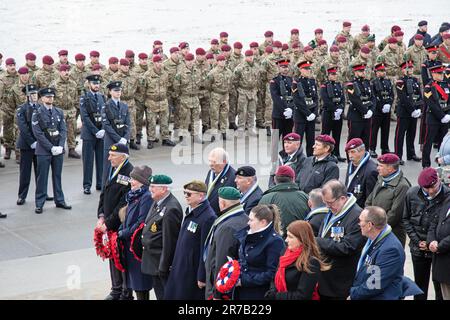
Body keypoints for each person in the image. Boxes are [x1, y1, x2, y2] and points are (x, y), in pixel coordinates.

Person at [350, 206, 422, 300]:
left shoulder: (390, 249)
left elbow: (375, 285)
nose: (359, 224)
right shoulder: (373, 240)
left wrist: (353, 294)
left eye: (360, 221)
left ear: (369, 225)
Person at [165, 181, 216, 300]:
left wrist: (202, 276)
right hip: (181, 267)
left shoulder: (208, 217)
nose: (186, 196)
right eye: (184, 193)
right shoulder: (192, 210)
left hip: (191, 272)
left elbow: (206, 250)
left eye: (189, 194)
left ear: (201, 196)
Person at [316, 180, 365, 300]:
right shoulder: (334, 210)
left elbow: (347, 247)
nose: (327, 206)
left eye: (329, 202)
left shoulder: (357, 216)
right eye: (325, 202)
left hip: (340, 282)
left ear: (342, 198)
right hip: (325, 278)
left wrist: (318, 241)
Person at [97, 143, 133, 300]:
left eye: (113, 155)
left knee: (121, 258)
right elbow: (104, 193)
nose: (109, 158)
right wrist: (101, 215)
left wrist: (109, 223)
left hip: (119, 223)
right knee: (112, 256)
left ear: (123, 156)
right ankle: (116, 289)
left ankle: (125, 291)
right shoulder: (113, 168)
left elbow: (123, 203)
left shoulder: (128, 173)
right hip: (109, 221)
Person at [403, 167, 446, 300]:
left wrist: (432, 243)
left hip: (439, 250)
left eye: (433, 186)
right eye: (426, 188)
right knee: (419, 288)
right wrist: (417, 241)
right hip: (418, 249)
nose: (431, 191)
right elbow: (406, 219)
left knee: (440, 288)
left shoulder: (447, 196)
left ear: (438, 180)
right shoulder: (412, 194)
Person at [141, 174, 183, 300]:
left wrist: (164, 267)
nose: (150, 189)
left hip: (161, 264)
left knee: (165, 295)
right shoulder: (158, 202)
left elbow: (169, 242)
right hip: (154, 261)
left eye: (153, 186)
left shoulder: (171, 209)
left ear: (164, 189)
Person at [265, 220, 330, 300]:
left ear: (302, 239)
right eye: (287, 236)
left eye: (290, 237)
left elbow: (303, 296)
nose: (286, 240)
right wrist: (272, 291)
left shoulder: (311, 262)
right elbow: (275, 276)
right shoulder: (285, 252)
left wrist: (277, 296)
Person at [204, 187, 249, 299]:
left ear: (222, 203)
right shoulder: (245, 219)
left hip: (222, 289)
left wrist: (217, 294)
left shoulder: (227, 227)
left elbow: (221, 262)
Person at [231, 205, 284, 300]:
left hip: (258, 293)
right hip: (241, 290)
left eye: (251, 220)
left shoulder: (275, 241)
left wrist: (244, 281)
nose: (248, 222)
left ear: (263, 222)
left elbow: (272, 273)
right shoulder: (248, 234)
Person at [31, 88, 71, 214]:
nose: (50, 99)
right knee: (42, 178)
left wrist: (59, 146)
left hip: (57, 150)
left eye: (52, 96)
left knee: (57, 176)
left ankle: (59, 200)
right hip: (44, 151)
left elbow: (63, 130)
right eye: (47, 97)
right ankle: (39, 203)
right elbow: (38, 134)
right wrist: (51, 147)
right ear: (42, 98)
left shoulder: (58, 112)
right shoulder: (37, 113)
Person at [118, 165, 153, 300]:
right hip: (129, 245)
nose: (131, 182)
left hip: (136, 246)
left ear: (143, 182)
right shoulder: (134, 194)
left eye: (134, 179)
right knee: (135, 282)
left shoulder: (145, 196)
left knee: (141, 284)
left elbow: (141, 222)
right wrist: (121, 229)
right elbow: (127, 217)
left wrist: (123, 233)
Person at [365, 153, 411, 247]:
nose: (377, 168)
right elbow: (369, 201)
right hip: (375, 229)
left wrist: (375, 226)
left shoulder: (402, 186)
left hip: (391, 233)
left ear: (390, 168)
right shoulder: (381, 179)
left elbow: (394, 215)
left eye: (381, 166)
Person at [260, 165, 309, 237]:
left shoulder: (266, 198)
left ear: (274, 179)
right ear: (293, 179)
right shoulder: (305, 197)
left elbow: (259, 223)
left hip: (273, 244)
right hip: (299, 242)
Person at [80, 74, 106, 194]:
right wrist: (96, 131)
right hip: (89, 134)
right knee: (88, 161)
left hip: (101, 133)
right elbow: (85, 117)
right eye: (94, 83)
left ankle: (100, 183)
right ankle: (87, 185)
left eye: (98, 83)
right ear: (89, 84)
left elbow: (105, 114)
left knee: (101, 160)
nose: (97, 85)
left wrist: (103, 129)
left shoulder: (102, 97)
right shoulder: (84, 98)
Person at [102, 81, 131, 185]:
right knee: (108, 169)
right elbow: (106, 126)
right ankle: (105, 193)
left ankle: (122, 191)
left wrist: (125, 137)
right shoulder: (106, 106)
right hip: (111, 142)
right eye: (115, 91)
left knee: (123, 168)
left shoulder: (124, 106)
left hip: (123, 142)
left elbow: (128, 124)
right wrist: (119, 139)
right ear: (110, 92)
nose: (118, 92)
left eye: (119, 90)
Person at [422, 64, 450, 169]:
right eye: (439, 73)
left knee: (443, 143)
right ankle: (426, 164)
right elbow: (431, 104)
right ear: (433, 74)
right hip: (433, 118)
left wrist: (448, 115)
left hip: (445, 117)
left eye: (442, 73)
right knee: (428, 142)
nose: (441, 75)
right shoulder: (428, 87)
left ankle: (441, 163)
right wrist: (442, 116)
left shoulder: (446, 85)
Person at [395, 61, 423, 165]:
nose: (410, 70)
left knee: (412, 133)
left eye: (411, 68)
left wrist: (419, 108)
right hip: (404, 112)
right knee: (400, 135)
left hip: (414, 111)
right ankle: (398, 156)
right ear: (403, 70)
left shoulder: (415, 80)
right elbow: (403, 98)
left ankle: (411, 154)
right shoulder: (400, 82)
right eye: (408, 68)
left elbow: (419, 95)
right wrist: (412, 110)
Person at [16, 84, 40, 205]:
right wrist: (32, 142)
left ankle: (41, 194)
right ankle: (22, 195)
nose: (34, 96)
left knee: (40, 172)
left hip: (40, 145)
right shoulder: (22, 109)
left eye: (35, 93)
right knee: (25, 172)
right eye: (31, 94)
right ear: (27, 95)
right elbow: (23, 128)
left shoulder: (41, 107)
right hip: (26, 145)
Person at [427, 187, 450, 300]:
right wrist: (431, 241)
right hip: (443, 266)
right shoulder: (447, 200)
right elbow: (434, 222)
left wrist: (439, 246)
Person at [292, 60, 318, 156]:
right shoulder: (296, 82)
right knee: (298, 141)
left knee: (311, 140)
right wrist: (308, 113)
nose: (308, 71)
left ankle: (310, 159)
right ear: (300, 69)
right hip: (301, 116)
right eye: (305, 69)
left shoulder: (312, 81)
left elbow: (315, 99)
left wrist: (314, 113)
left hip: (311, 116)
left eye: (309, 69)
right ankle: (296, 159)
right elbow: (297, 101)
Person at [320, 66, 345, 161]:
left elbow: (343, 98)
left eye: (335, 74)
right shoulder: (324, 86)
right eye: (332, 74)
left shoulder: (339, 85)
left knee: (337, 134)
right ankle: (323, 154)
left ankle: (336, 153)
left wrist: (341, 108)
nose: (334, 76)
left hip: (338, 113)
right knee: (325, 135)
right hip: (328, 113)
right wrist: (335, 109)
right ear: (328, 75)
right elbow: (325, 100)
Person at [346, 63, 374, 148]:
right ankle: (351, 161)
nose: (363, 72)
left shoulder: (367, 83)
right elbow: (355, 100)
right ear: (355, 72)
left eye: (363, 71)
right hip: (356, 116)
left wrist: (371, 110)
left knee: (366, 141)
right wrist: (365, 111)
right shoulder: (351, 84)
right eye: (360, 71)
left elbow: (373, 98)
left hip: (367, 116)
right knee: (353, 142)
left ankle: (364, 160)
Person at [345, 138, 379, 208]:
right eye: (348, 152)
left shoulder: (371, 171)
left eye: (353, 152)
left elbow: (370, 198)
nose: (350, 156)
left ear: (362, 151)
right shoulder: (351, 164)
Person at [370, 63, 394, 157]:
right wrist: (381, 106)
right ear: (376, 72)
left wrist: (389, 104)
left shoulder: (388, 81)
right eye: (380, 71)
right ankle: (372, 148)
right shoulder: (373, 82)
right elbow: (374, 96)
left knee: (385, 129)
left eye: (384, 71)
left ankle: (385, 148)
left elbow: (391, 94)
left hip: (386, 109)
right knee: (374, 130)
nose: (383, 73)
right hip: (377, 110)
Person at [205, 147, 237, 214]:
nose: (210, 164)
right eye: (210, 161)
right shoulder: (211, 172)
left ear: (224, 162)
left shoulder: (233, 178)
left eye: (214, 162)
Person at [270, 58, 294, 140]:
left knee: (288, 139)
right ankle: (273, 153)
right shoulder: (274, 81)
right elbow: (275, 98)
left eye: (287, 67)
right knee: (275, 140)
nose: (285, 69)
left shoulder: (290, 80)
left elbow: (293, 96)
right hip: (279, 115)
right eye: (283, 67)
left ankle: (286, 153)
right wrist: (285, 109)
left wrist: (291, 109)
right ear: (279, 68)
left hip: (289, 115)